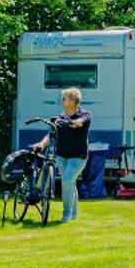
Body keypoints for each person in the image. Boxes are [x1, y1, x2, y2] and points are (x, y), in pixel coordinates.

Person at [32, 87, 92, 223]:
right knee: (70, 183)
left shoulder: (85, 114)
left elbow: (80, 122)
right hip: (62, 156)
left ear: (71, 101)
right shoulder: (59, 118)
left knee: (67, 180)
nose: (62, 100)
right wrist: (41, 144)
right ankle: (74, 213)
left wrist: (74, 123)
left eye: (64, 98)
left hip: (78, 157)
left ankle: (67, 214)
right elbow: (51, 135)